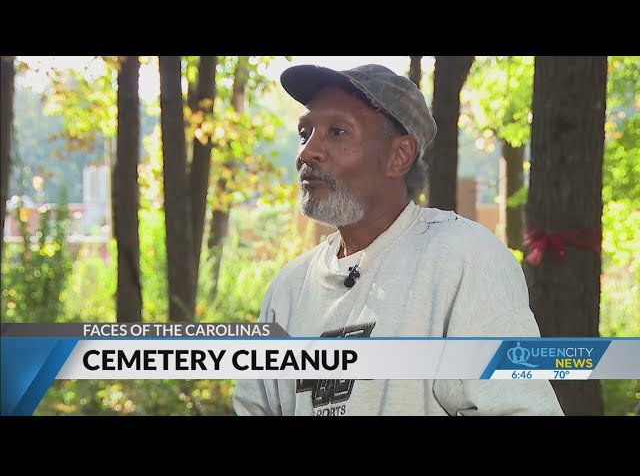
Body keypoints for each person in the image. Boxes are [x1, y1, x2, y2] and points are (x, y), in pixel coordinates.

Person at [232, 63, 564, 416]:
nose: (307, 153)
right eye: (305, 133)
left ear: (399, 156)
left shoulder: (461, 259)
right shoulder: (289, 289)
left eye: (337, 132)